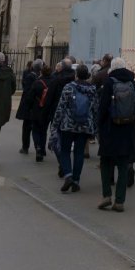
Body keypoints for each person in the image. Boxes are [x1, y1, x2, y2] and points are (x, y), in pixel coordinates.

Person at [96, 57, 135, 212]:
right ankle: (120, 201)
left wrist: (100, 125)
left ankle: (106, 196)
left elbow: (102, 108)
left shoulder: (109, 83)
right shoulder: (133, 83)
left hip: (110, 130)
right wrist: (129, 120)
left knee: (105, 163)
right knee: (123, 165)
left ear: (112, 69)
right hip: (127, 130)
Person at [53, 63, 97, 193]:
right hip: (84, 126)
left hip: (68, 125)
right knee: (79, 153)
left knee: (65, 151)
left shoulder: (69, 87)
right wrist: (94, 127)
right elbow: (95, 109)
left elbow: (61, 107)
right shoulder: (92, 89)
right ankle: (76, 180)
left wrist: (55, 124)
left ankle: (68, 175)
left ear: (76, 74)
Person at [16, 58, 46, 157]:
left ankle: (26, 147)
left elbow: (27, 91)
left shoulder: (30, 76)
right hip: (39, 105)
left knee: (27, 127)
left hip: (30, 106)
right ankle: (39, 147)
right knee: (38, 128)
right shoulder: (42, 77)